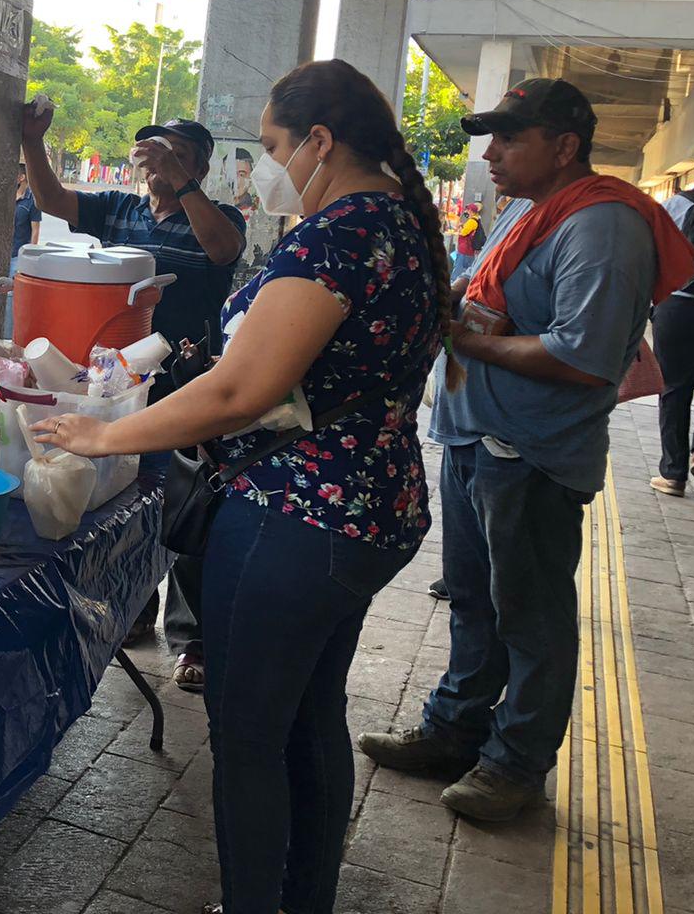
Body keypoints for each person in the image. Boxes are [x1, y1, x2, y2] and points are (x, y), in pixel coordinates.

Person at [34, 60, 449, 914]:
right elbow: (283, 371)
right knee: (308, 719)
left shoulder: (338, 233)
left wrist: (102, 433)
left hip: (298, 517)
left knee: (252, 737)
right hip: (369, 507)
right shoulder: (400, 225)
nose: (258, 168)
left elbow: (241, 392)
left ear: (320, 143)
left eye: (269, 147)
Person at [360, 79, 694, 823]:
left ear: (564, 145)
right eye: (492, 138)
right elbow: (491, 295)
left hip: (532, 454)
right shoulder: (532, 210)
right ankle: (455, 731)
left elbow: (586, 355)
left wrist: (472, 342)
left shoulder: (601, 224)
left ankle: (515, 766)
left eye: (510, 138)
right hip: (481, 438)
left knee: (532, 619)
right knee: (474, 601)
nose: (492, 154)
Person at [23, 106, 247, 692]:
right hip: (118, 383)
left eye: (173, 153)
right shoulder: (117, 207)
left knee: (191, 498)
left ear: (198, 163)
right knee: (130, 496)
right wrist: (31, 142)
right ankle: (133, 607)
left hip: (189, 377)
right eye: (153, 151)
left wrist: (184, 184)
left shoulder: (217, 214)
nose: (157, 162)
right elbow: (53, 203)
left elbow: (222, 252)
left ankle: (193, 636)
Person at [652, 140, 694, 497]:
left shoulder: (677, 204)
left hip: (677, 304)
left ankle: (672, 473)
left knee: (674, 386)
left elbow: (653, 258)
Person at [2, 158, 41, 336]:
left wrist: (29, 259)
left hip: (18, 255)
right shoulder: (6, 196)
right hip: (2, 253)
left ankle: (9, 337)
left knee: (11, 299)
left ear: (21, 177)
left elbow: (35, 230)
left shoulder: (32, 201)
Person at [453, 201, 485, 280]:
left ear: (471, 211)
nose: (466, 212)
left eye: (467, 210)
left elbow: (463, 233)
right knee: (468, 270)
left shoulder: (472, 221)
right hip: (469, 250)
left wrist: (460, 227)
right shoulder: (476, 220)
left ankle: (454, 285)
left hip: (465, 250)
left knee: (458, 270)